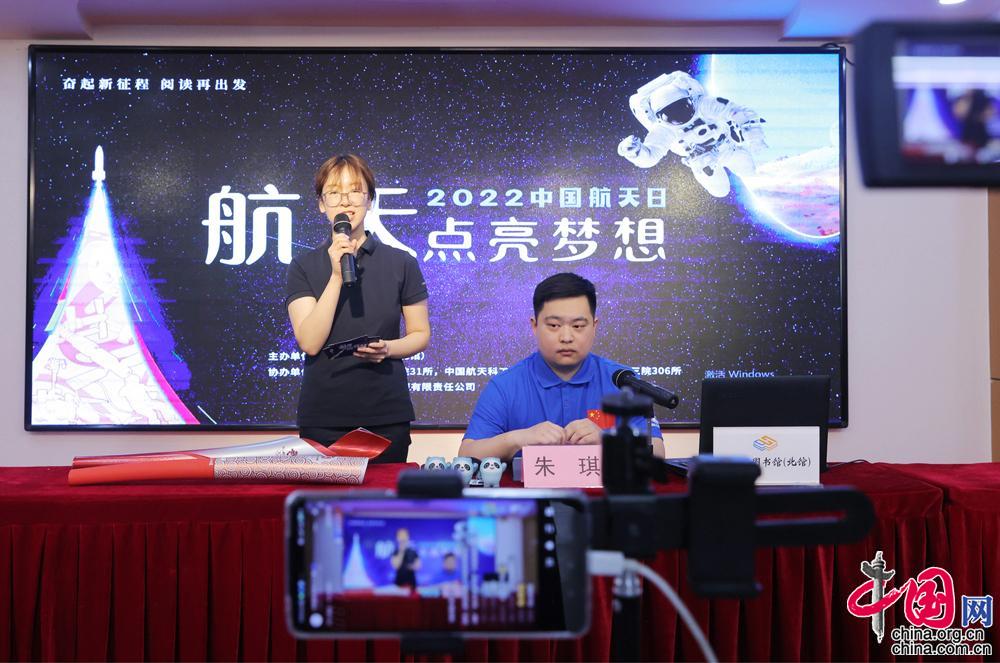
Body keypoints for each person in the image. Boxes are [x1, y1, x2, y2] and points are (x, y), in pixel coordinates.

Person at [285, 154, 430, 463]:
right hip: (323, 416)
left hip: (385, 414)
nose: (345, 201)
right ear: (321, 204)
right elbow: (310, 342)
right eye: (334, 192)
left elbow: (420, 334)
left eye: (354, 190)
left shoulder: (401, 262)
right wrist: (337, 276)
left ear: (369, 199)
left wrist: (388, 348)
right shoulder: (303, 266)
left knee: (385, 493)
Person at [459, 273, 664, 461]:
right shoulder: (505, 386)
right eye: (554, 326)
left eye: (578, 326)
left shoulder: (622, 381)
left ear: (594, 326)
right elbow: (467, 453)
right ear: (534, 326)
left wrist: (607, 441)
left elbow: (657, 453)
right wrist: (518, 439)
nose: (566, 337)